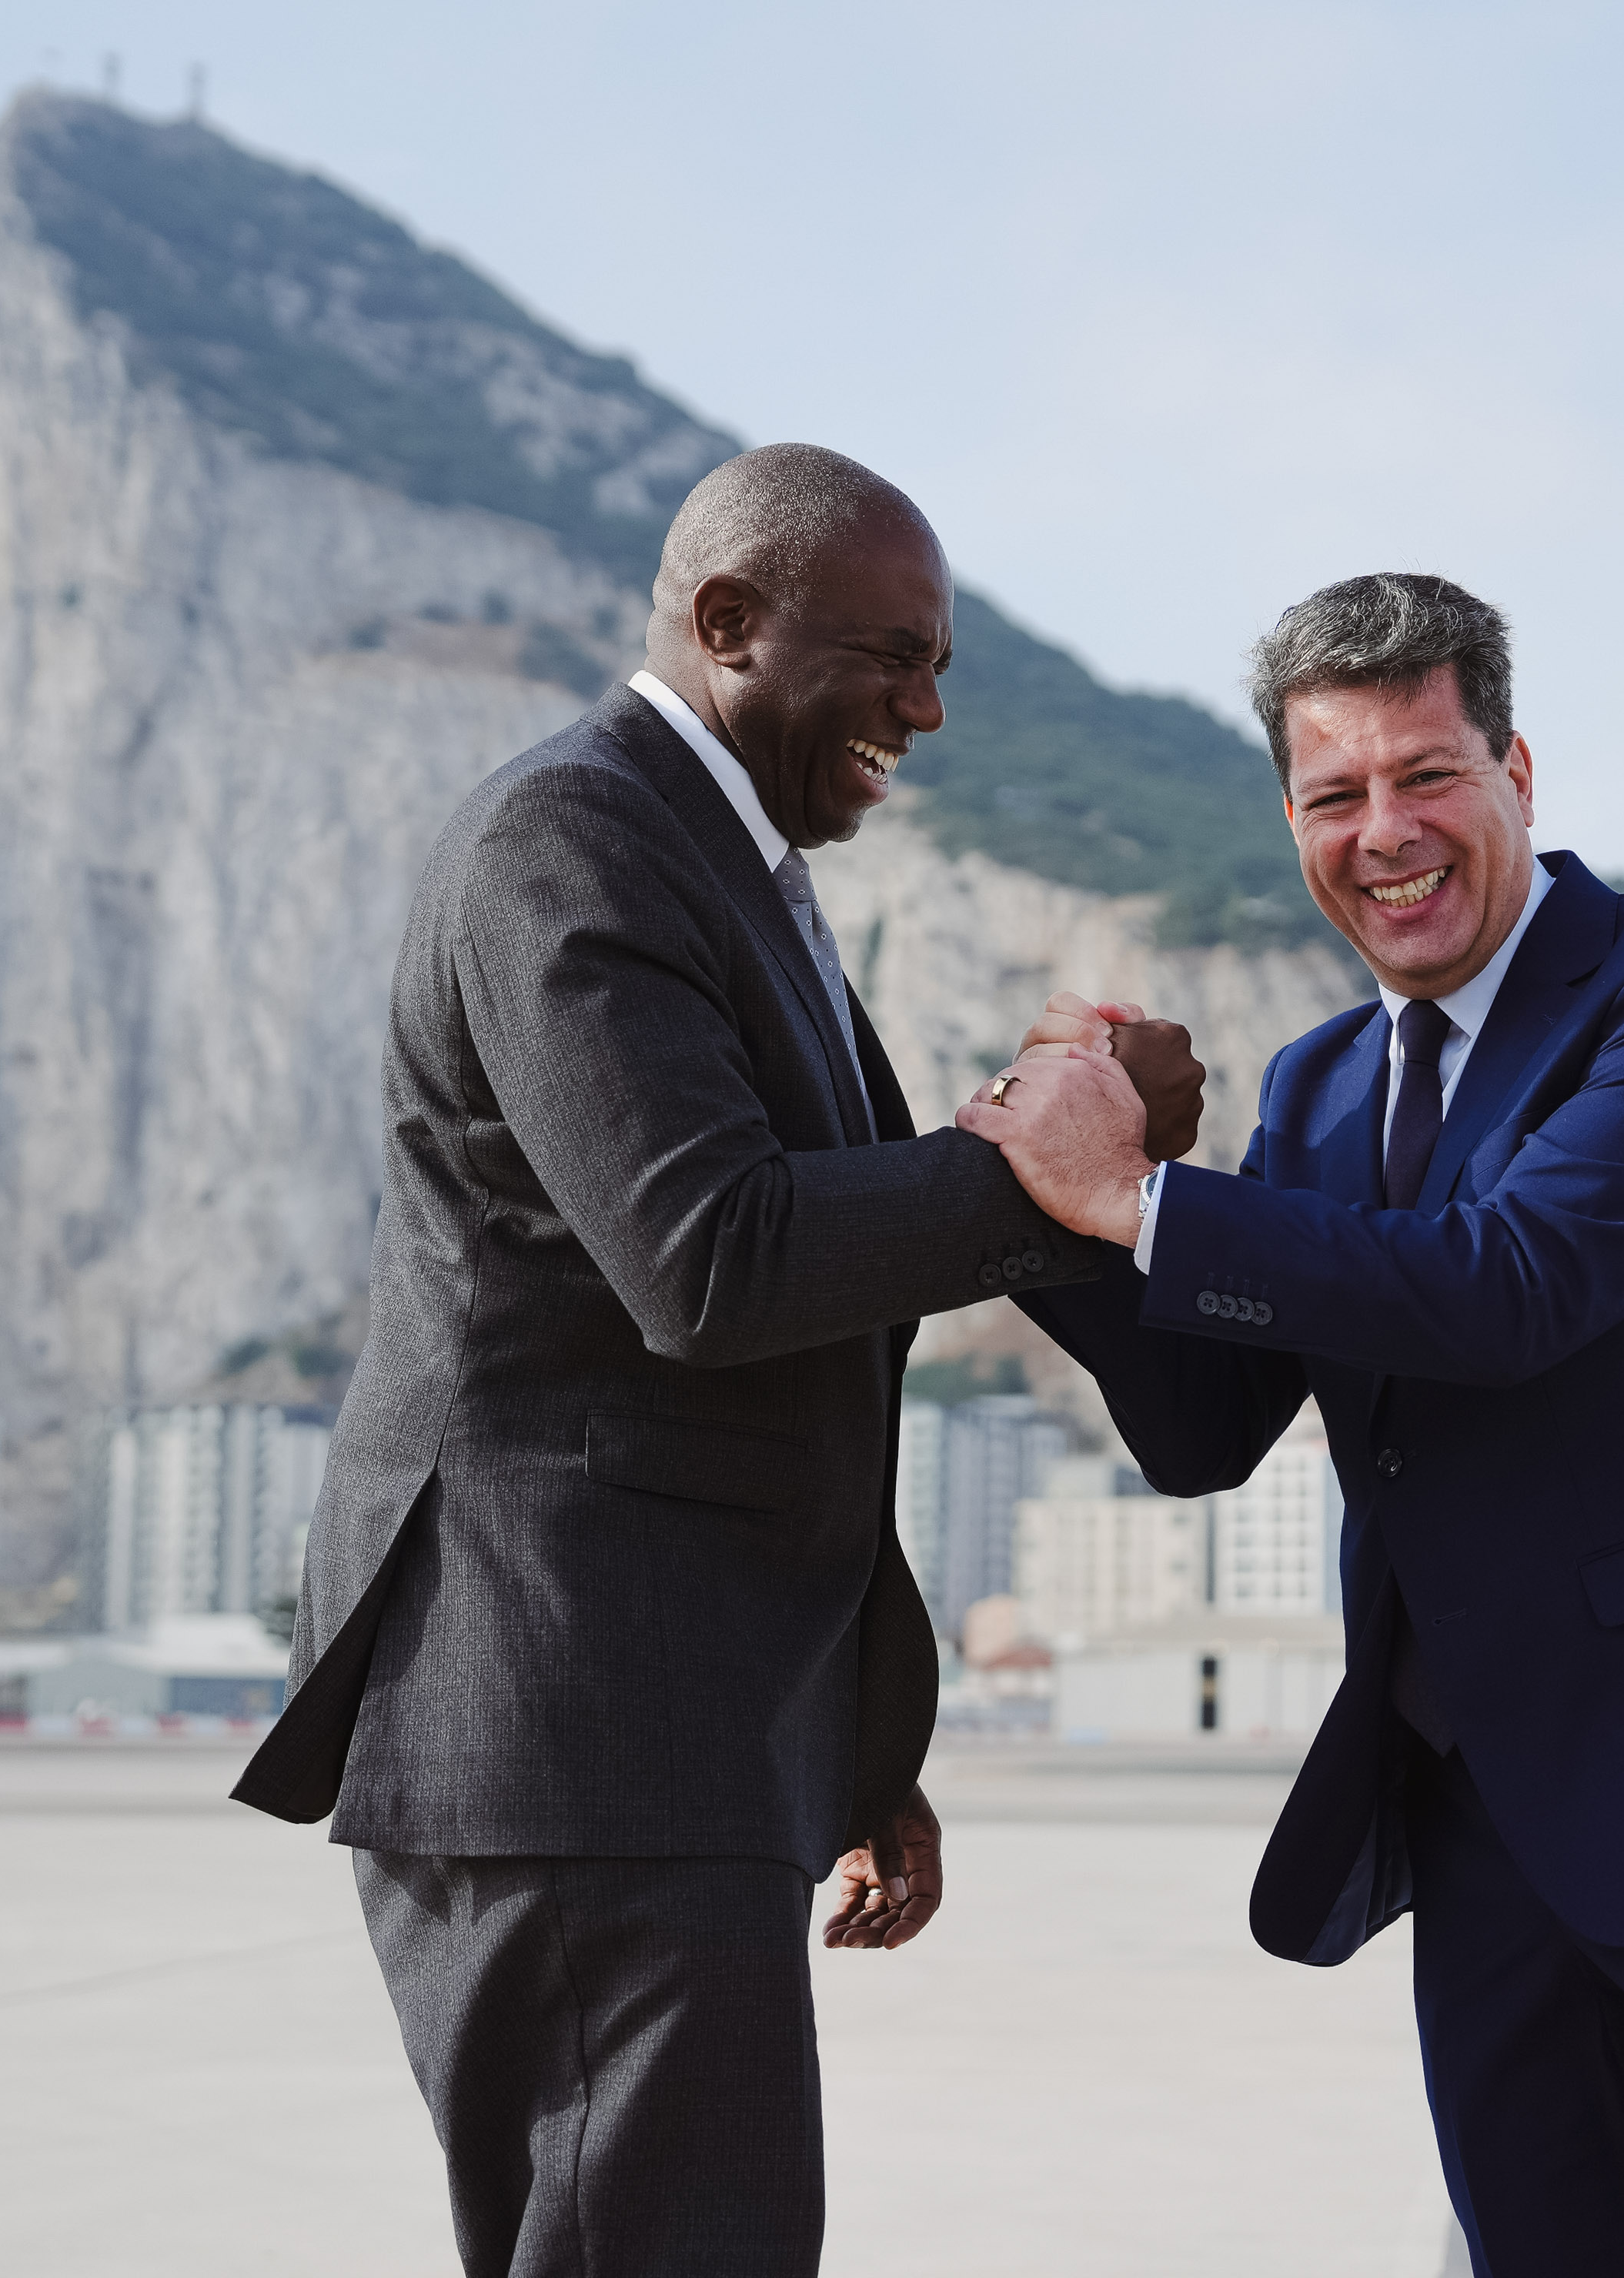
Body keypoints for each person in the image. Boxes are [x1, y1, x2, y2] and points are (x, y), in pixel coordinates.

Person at [961, 573, 1624, 2276]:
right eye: (1336, 795)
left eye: (1426, 774)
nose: (1383, 831)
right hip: (1482, 1811)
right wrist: (1040, 1183)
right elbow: (1204, 1425)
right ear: (1293, 821)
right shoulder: (1321, 1082)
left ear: (1518, 773)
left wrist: (1143, 1202)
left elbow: (1505, 1286)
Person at [231, 445, 1196, 2278]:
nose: (923, 709)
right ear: (731, 622)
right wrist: (1056, 1143)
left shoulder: (731, 870)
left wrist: (842, 1738)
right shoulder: (572, 840)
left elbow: (767, 1349)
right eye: (892, 657)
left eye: (940, 667)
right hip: (577, 1732)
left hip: (668, 1736)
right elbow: (715, 1262)